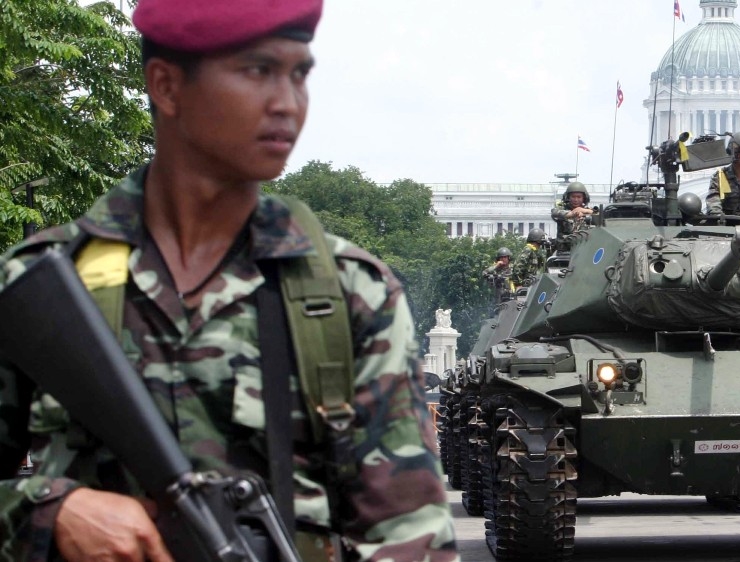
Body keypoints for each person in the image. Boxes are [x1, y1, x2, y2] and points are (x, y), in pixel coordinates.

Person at [0, 1, 456, 561]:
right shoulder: (43, 283)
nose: (288, 104)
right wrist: (49, 513)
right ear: (166, 86)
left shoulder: (346, 292)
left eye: (299, 75)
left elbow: (411, 536)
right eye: (258, 71)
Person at [551, 181, 596, 250]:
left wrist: (584, 211)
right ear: (568, 197)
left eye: (579, 197)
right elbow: (555, 213)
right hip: (564, 249)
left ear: (584, 198)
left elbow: (600, 215)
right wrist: (572, 214)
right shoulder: (561, 208)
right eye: (573, 197)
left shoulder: (587, 210)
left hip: (583, 248)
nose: (576, 200)